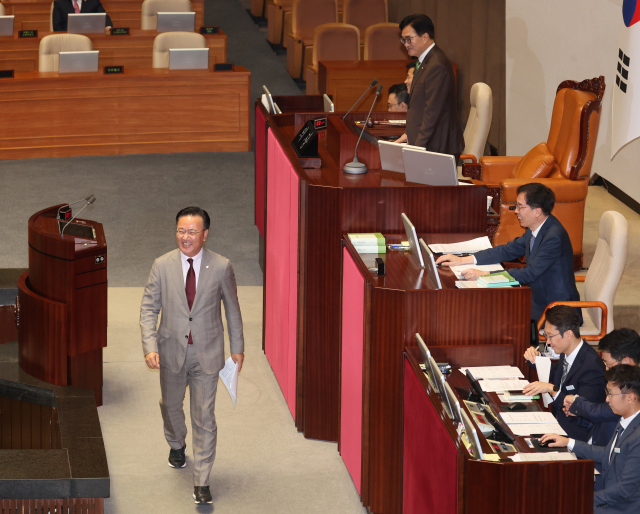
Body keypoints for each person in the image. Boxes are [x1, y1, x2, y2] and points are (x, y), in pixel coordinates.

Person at [140, 206, 245, 505]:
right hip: (170, 350)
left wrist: (237, 347)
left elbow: (232, 309)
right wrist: (150, 345)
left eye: (192, 232)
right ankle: (176, 443)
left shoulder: (222, 266)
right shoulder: (161, 265)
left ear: (205, 234)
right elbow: (149, 308)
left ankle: (202, 481)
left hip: (207, 353)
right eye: (181, 231)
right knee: (171, 407)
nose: (185, 238)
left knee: (204, 418)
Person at [436, 182, 580, 322]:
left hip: (557, 309)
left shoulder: (553, 236)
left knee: (492, 315)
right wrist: (462, 260)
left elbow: (529, 273)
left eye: (520, 206)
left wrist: (485, 275)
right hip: (537, 295)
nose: (516, 210)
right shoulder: (537, 227)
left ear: (537, 211)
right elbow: (507, 250)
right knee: (487, 307)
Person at [541, 364, 640, 513]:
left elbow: (625, 489)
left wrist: (585, 499)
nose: (607, 399)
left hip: (620, 507)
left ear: (631, 398)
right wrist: (569, 443)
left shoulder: (637, 437)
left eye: (611, 394)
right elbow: (608, 453)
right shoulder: (625, 420)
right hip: (609, 495)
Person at [521, 305, 606, 441]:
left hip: (574, 435)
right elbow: (557, 374)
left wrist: (551, 389)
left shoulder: (592, 367)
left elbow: (582, 410)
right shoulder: (567, 352)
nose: (548, 342)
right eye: (546, 336)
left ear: (568, 334)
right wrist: (534, 359)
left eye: (550, 336)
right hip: (555, 423)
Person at [395, 14, 464, 160]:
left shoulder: (436, 65)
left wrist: (416, 148)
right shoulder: (426, 61)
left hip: (438, 147)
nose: (406, 44)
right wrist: (409, 134)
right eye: (403, 40)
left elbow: (432, 113)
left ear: (425, 37)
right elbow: (420, 105)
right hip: (430, 143)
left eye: (409, 39)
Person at [563, 329, 640, 446]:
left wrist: (576, 401)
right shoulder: (620, 379)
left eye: (609, 364)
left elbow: (606, 412)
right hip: (592, 442)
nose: (607, 369)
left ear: (627, 361)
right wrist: (576, 412)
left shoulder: (634, 388)